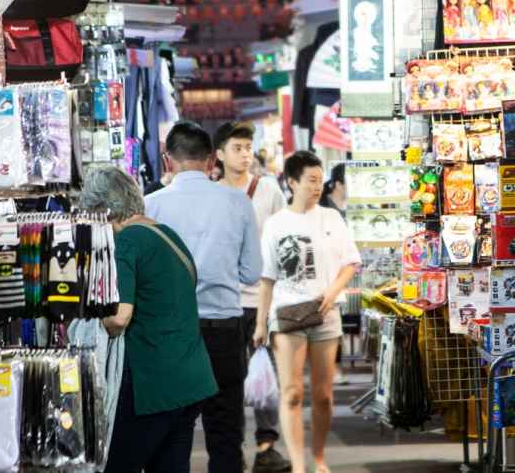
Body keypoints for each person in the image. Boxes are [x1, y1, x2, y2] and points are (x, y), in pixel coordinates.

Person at [144, 121, 262, 473]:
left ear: (168, 160)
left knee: (168, 430)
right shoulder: (238, 203)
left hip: (168, 333)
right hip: (223, 328)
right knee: (225, 430)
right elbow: (252, 272)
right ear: (212, 160)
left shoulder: (150, 206)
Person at [83, 164, 216, 473]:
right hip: (189, 378)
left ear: (103, 210)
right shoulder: (167, 235)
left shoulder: (127, 242)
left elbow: (119, 317)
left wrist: (85, 320)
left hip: (150, 384)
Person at [253, 151, 361, 473]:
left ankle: (319, 457)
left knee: (324, 395)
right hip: (286, 315)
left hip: (326, 314)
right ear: (292, 182)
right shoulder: (275, 224)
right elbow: (267, 278)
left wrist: (332, 291)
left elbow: (350, 263)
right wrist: (260, 323)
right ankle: (299, 464)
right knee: (291, 392)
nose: (318, 186)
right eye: (311, 180)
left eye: (320, 180)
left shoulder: (331, 218)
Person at [212, 122, 289, 473]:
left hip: (263, 299)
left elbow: (283, 241)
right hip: (223, 301)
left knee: (265, 377)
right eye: (237, 148)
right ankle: (232, 448)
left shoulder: (269, 190)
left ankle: (267, 446)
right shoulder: (211, 194)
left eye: (247, 147)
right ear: (219, 154)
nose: (245, 154)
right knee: (227, 379)